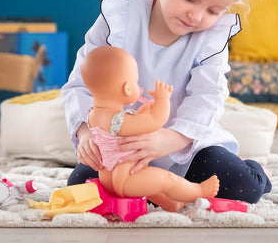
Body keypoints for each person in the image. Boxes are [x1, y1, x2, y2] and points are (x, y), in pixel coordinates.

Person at [62, 0, 278, 205]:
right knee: (81, 187)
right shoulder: (119, 20)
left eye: (214, 10)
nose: (196, 16)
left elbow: (208, 96)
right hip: (121, 151)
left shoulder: (211, 39)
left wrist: (170, 138)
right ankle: (155, 192)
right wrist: (85, 130)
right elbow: (80, 83)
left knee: (241, 187)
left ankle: (259, 171)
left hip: (186, 148)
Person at [81, 46, 219, 212]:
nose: (138, 85)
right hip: (126, 177)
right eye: (135, 81)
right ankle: (197, 191)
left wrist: (140, 114)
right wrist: (162, 99)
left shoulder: (92, 115)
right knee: (165, 179)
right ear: (127, 88)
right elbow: (155, 121)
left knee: (150, 185)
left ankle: (171, 203)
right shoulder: (118, 121)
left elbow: (127, 130)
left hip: (106, 176)